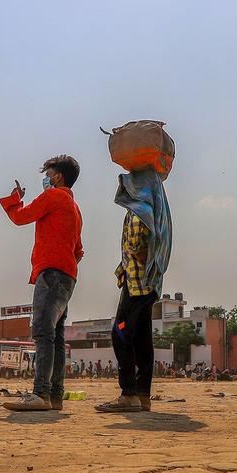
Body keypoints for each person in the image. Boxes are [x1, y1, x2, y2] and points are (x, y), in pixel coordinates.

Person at [0, 156, 84, 412]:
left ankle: (41, 394)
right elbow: (79, 250)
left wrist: (15, 199)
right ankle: (55, 396)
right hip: (68, 275)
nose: (45, 179)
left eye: (47, 174)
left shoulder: (53, 197)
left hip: (51, 272)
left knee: (43, 334)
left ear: (57, 176)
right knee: (55, 336)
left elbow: (21, 217)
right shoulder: (74, 207)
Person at [97, 168, 173, 414]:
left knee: (119, 332)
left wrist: (135, 260)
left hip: (137, 284)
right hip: (147, 284)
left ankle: (129, 393)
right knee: (142, 339)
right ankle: (143, 395)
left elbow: (139, 249)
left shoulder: (141, 213)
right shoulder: (155, 211)